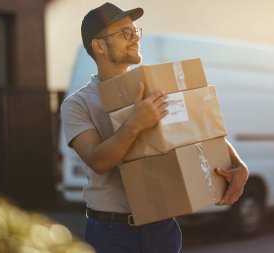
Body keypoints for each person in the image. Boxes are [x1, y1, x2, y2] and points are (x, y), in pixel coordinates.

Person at [60, 2, 249, 253]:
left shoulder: (156, 84)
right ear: (99, 46)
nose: (135, 39)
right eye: (125, 33)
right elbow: (98, 161)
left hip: (162, 229)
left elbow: (198, 131)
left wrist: (238, 164)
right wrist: (136, 122)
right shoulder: (77, 104)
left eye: (135, 32)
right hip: (111, 233)